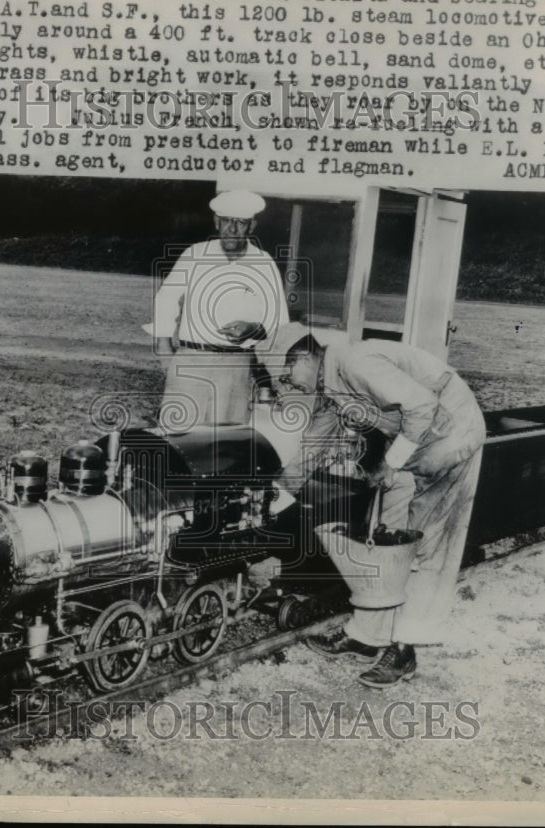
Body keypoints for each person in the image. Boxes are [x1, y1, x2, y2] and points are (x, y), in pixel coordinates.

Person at [281, 333, 486, 687]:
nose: (288, 382)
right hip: (416, 438)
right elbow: (314, 442)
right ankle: (367, 635)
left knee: (421, 545)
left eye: (287, 372)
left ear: (304, 359)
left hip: (450, 433)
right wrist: (280, 494)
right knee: (381, 536)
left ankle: (405, 651)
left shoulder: (355, 362)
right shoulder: (331, 385)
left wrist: (390, 463)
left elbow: (422, 405)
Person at [152, 190, 289, 430]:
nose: (233, 229)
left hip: (236, 366)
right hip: (191, 361)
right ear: (217, 222)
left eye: (241, 223)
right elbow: (166, 299)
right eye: (227, 221)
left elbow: (278, 321)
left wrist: (253, 328)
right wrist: (164, 350)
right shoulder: (194, 255)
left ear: (252, 226)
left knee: (225, 443)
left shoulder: (263, 263)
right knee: (178, 437)